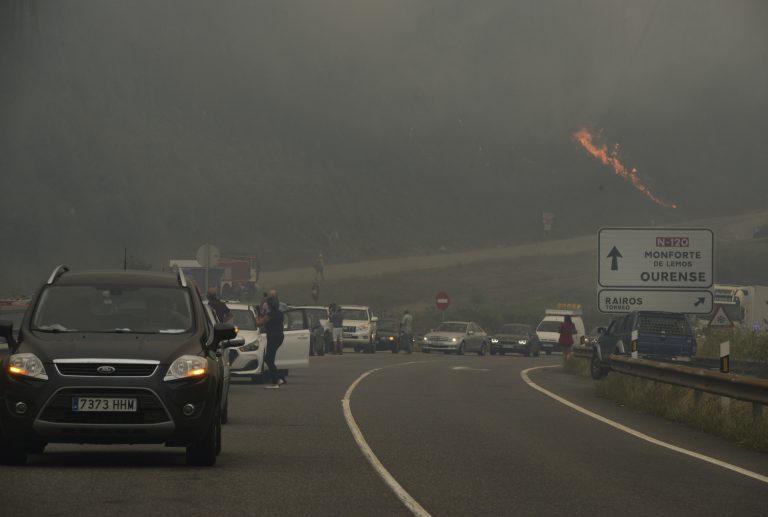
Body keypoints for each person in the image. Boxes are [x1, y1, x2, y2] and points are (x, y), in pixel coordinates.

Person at [256, 291, 285, 389]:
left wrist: (257, 316)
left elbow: (259, 323)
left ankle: (275, 381)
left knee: (268, 358)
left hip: (273, 337)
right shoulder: (280, 314)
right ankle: (278, 378)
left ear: (269, 305)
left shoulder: (270, 315)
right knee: (270, 358)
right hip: (279, 337)